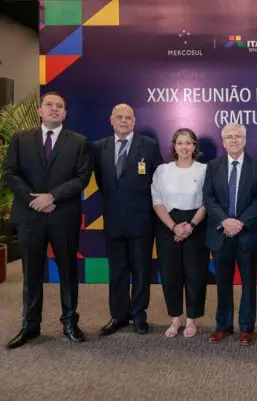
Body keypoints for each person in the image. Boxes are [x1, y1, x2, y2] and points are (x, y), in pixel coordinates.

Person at [4, 92, 93, 348]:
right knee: (31, 273)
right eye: (49, 105)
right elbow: (10, 172)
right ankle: (30, 326)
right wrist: (34, 199)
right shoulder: (21, 139)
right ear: (40, 111)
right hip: (30, 214)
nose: (54, 109)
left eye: (60, 106)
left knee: (68, 271)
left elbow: (82, 177)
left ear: (65, 113)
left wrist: (51, 196)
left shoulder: (78, 141)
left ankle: (70, 322)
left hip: (63, 215)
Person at [94, 104, 162, 336]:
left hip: (142, 220)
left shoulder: (149, 146)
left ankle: (139, 315)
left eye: (128, 117)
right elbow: (103, 183)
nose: (124, 121)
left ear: (134, 121)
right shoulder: (99, 147)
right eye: (120, 117)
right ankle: (118, 315)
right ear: (111, 120)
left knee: (141, 270)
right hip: (113, 220)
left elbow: (157, 182)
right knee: (117, 271)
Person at [203, 123, 257, 346]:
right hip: (220, 233)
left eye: (238, 136)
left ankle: (247, 328)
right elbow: (208, 198)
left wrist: (240, 222)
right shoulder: (213, 166)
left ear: (245, 140)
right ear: (223, 142)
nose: (233, 140)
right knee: (223, 282)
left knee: (248, 283)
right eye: (229, 137)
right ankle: (223, 326)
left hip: (247, 233)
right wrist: (224, 220)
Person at [151, 128, 210, 338]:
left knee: (195, 274)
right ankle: (175, 318)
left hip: (196, 224)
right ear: (174, 147)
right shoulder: (162, 170)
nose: (184, 147)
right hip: (168, 226)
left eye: (188, 143)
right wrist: (174, 226)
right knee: (170, 274)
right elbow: (157, 200)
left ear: (194, 147)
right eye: (180, 143)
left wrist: (191, 225)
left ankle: (192, 319)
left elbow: (208, 201)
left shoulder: (204, 170)